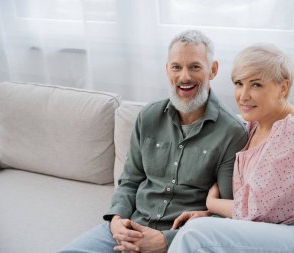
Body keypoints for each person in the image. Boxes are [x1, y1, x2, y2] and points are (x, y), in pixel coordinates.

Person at [58, 30, 248, 253]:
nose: (184, 76)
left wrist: (166, 240)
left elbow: (226, 212)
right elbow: (129, 180)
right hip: (130, 228)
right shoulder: (148, 117)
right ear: (167, 70)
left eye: (195, 67)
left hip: (182, 241)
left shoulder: (232, 133)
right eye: (176, 67)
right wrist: (116, 220)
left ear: (213, 70)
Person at [168, 44, 294, 253]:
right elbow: (255, 209)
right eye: (239, 83)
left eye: (256, 85)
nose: (243, 95)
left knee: (196, 234)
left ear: (283, 87)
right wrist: (212, 217)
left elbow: (259, 210)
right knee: (196, 231)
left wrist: (212, 203)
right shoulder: (253, 127)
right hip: (278, 232)